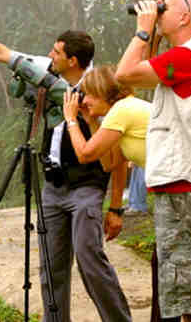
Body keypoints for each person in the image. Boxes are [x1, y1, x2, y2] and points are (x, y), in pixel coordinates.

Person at [0, 12, 132, 322]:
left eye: (57, 51)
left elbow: (119, 156)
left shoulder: (99, 89)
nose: (50, 55)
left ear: (72, 60)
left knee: (91, 261)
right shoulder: (44, 70)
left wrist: (116, 208)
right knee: (50, 267)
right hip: (53, 186)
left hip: (87, 186)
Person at [115, 0, 191, 322]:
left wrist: (143, 29)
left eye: (164, 7)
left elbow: (124, 75)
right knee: (190, 294)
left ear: (183, 17)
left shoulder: (186, 57)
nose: (158, 11)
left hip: (186, 192)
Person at [62, 64, 151, 236]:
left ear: (102, 90)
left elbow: (85, 154)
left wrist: (71, 120)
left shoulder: (122, 109)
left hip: (185, 186)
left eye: (88, 94)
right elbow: (110, 163)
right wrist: (92, 122)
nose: (85, 101)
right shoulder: (125, 108)